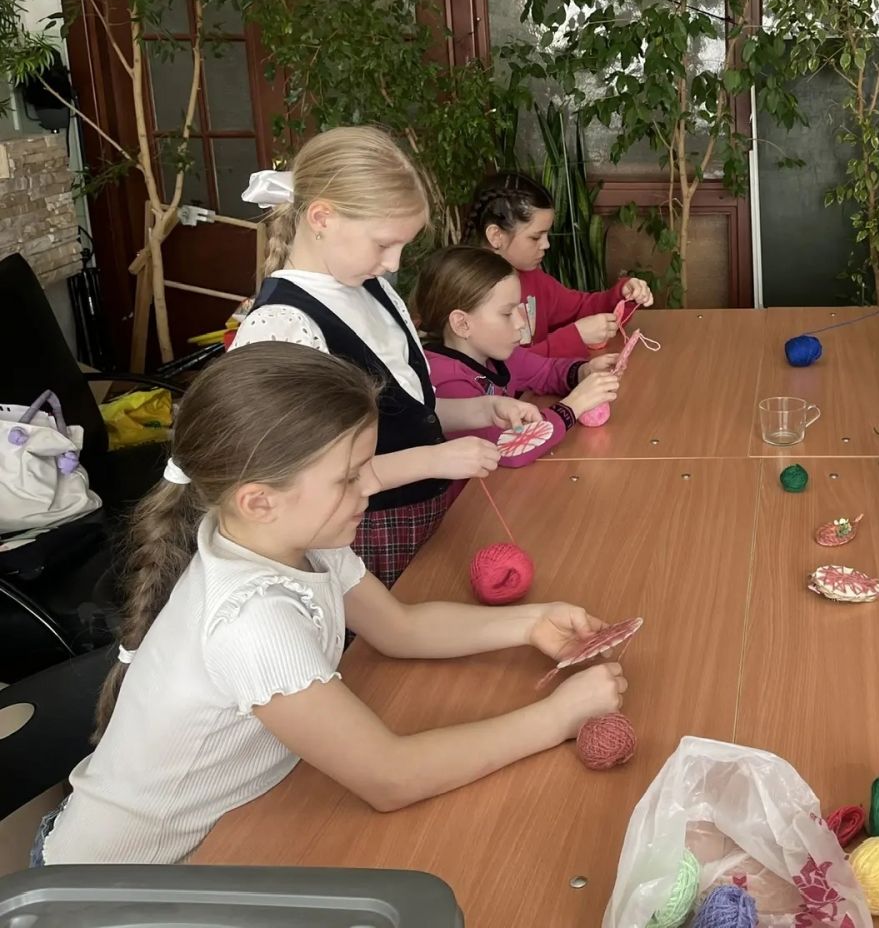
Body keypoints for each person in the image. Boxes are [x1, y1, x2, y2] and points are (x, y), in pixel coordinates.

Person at [34, 344, 627, 866]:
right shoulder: (251, 621)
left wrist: (532, 622)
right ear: (259, 500)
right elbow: (390, 777)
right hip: (114, 891)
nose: (370, 486)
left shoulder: (291, 537)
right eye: (349, 478)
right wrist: (557, 718)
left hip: (226, 833)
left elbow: (400, 628)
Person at [231, 126, 538, 586]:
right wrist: (434, 460)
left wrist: (481, 409)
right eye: (383, 244)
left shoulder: (370, 287)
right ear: (322, 218)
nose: (394, 263)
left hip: (424, 515)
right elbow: (309, 482)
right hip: (363, 537)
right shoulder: (284, 327)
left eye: (402, 246)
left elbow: (405, 412)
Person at [413, 246, 622, 468]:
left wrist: (583, 372)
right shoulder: (446, 382)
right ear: (462, 324)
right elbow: (507, 449)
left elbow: (547, 372)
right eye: (507, 313)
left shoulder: (499, 354)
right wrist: (574, 405)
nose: (521, 322)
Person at [465, 172, 653, 357]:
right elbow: (503, 371)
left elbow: (580, 309)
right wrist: (574, 337)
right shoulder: (470, 295)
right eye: (535, 237)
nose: (546, 245)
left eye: (546, 234)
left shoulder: (534, 280)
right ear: (496, 236)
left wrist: (621, 295)